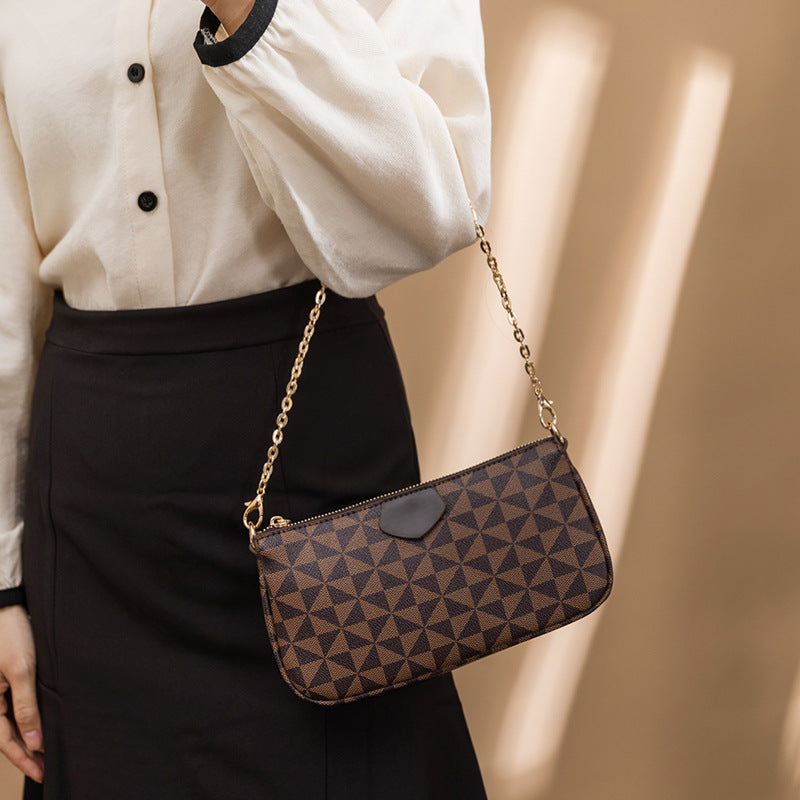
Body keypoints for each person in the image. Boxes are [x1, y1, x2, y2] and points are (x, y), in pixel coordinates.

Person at [0, 0, 492, 795]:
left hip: (322, 479)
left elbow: (431, 209)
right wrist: (0, 582)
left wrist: (251, 11)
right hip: (96, 521)